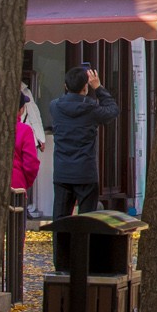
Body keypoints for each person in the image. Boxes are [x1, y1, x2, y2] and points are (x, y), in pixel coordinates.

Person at [48, 64, 120, 219]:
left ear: (65, 86)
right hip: (85, 172)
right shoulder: (91, 109)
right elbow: (113, 110)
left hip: (62, 172)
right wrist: (99, 87)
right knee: (87, 220)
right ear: (86, 87)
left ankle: (61, 244)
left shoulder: (55, 107)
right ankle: (83, 244)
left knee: (60, 220)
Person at [12, 92, 41, 195]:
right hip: (16, 186)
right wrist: (24, 182)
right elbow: (31, 164)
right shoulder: (24, 130)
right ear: (20, 109)